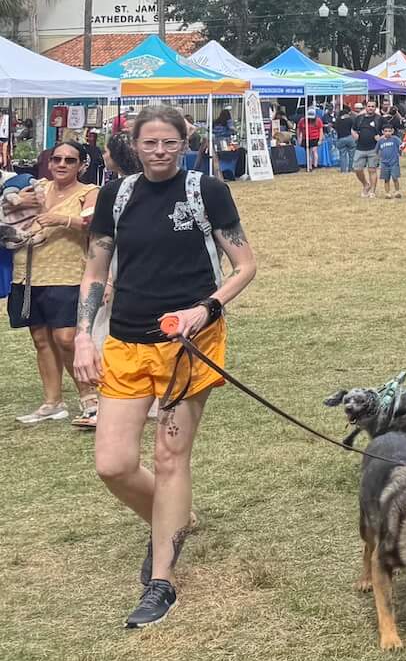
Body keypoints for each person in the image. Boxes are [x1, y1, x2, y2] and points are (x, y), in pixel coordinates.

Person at [76, 104, 260, 630]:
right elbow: (95, 267)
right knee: (112, 463)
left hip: (189, 344)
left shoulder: (208, 191)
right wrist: (84, 337)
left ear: (185, 142)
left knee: (170, 455)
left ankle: (163, 580)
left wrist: (206, 308)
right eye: (150, 144)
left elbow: (245, 265)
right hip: (126, 340)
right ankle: (171, 518)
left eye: (170, 144)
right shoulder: (116, 193)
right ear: (133, 144)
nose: (159, 153)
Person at [7, 140, 101, 427]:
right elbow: (8, 203)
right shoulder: (38, 188)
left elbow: (93, 222)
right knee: (40, 339)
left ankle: (91, 398)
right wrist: (15, 199)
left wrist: (59, 218)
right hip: (28, 272)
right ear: (48, 163)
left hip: (69, 273)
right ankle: (52, 402)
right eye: (56, 159)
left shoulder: (89, 192)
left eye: (69, 160)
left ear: (82, 165)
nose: (61, 164)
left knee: (66, 338)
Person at [374, 111, 404, 200]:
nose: (387, 133)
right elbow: (377, 150)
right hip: (384, 163)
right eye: (385, 131)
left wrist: (401, 151)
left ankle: (397, 191)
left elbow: (401, 146)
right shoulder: (380, 141)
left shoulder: (395, 139)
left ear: (392, 131)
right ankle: (387, 193)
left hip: (394, 162)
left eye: (389, 131)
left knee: (395, 177)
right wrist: (378, 160)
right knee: (386, 179)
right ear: (382, 132)